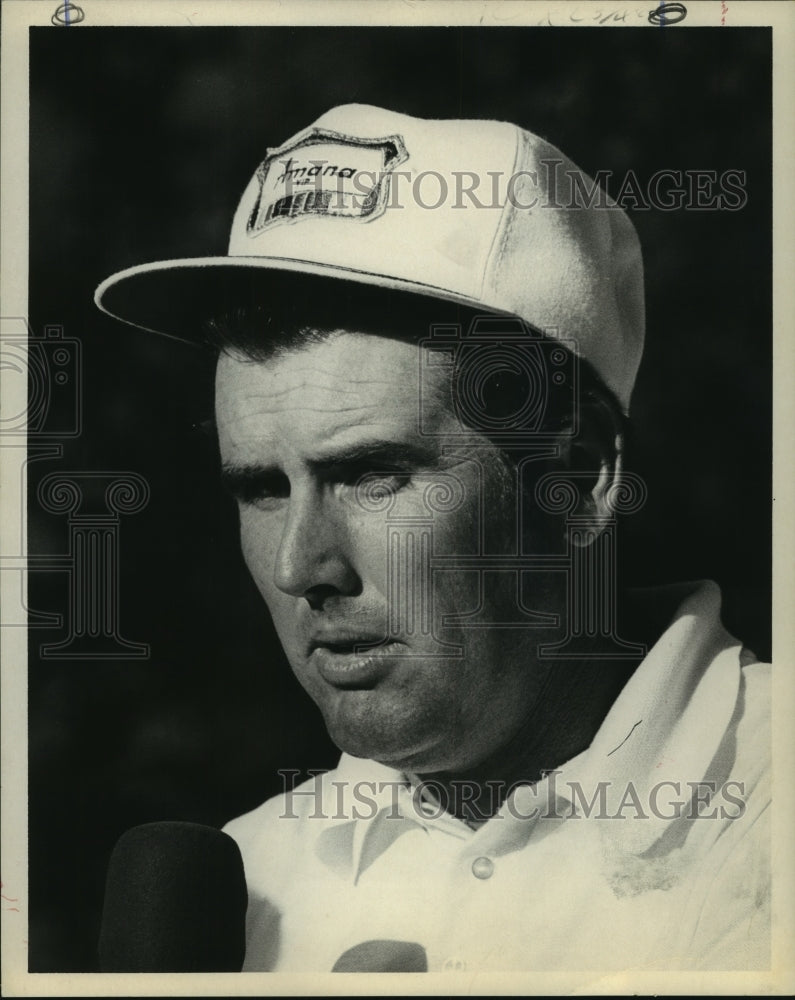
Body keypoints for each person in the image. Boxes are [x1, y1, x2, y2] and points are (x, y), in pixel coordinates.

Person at [95, 104, 770, 973]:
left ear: (577, 476)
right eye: (261, 487)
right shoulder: (247, 882)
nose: (303, 565)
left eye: (371, 474)